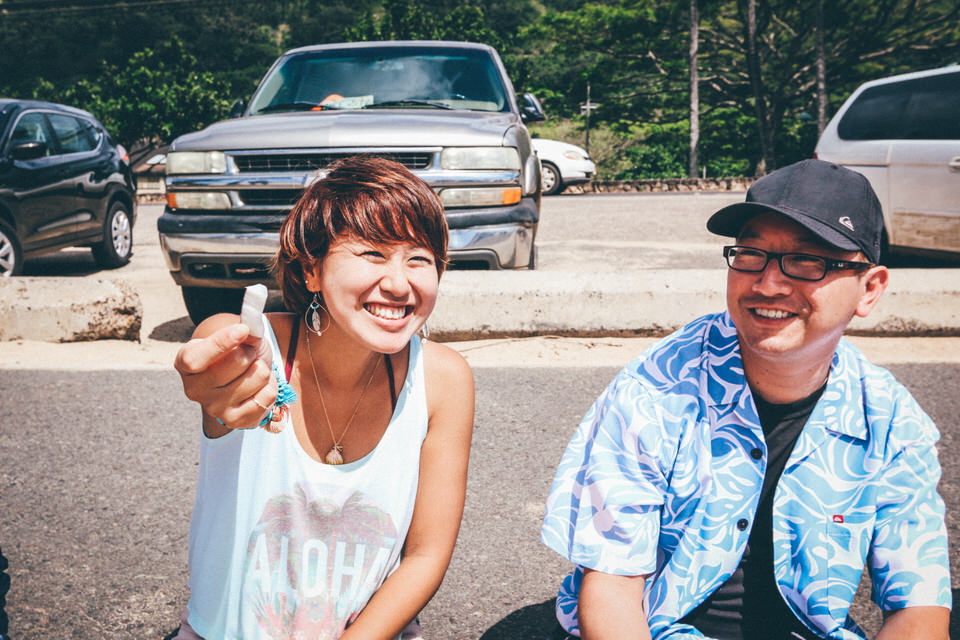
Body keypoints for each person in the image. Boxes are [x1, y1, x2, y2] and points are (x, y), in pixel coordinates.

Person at [541, 159, 951, 640]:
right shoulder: (656, 389)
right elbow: (610, 582)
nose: (768, 283)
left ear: (870, 288)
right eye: (751, 254)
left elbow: (919, 606)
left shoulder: (890, 419)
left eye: (807, 260)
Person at [173, 156, 474, 639]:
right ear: (312, 270)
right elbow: (214, 358)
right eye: (373, 254)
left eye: (419, 259)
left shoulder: (444, 378)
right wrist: (217, 383)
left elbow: (425, 557)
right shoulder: (254, 349)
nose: (399, 283)